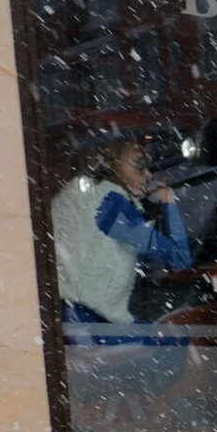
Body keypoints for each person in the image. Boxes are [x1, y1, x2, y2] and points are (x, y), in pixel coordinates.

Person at [50, 137, 192, 324]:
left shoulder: (83, 194)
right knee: (180, 334)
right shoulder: (110, 204)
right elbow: (179, 259)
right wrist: (168, 200)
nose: (147, 173)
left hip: (69, 313)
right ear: (108, 163)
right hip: (89, 319)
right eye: (139, 164)